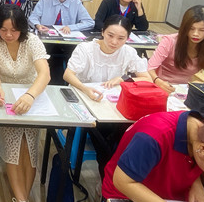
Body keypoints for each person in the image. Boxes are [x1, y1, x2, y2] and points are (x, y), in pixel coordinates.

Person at [0, 4, 51, 202]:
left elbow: (44, 74)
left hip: (31, 98)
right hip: (5, 99)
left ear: (22, 28)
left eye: (13, 30)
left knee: (28, 143)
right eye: (3, 30)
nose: (8, 34)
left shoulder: (32, 41)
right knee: (15, 140)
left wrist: (30, 95)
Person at [63, 15, 151, 174]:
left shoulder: (128, 52)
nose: (114, 42)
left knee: (131, 128)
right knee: (105, 134)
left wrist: (123, 78)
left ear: (128, 38)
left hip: (112, 104)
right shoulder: (86, 49)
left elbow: (146, 78)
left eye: (121, 38)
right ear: (102, 31)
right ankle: (109, 173)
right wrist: (85, 89)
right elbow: (68, 75)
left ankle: (116, 169)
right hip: (85, 98)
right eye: (110, 35)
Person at [148, 5, 204, 92]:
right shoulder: (169, 41)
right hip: (162, 87)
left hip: (185, 91)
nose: (195, 34)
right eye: (191, 29)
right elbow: (149, 69)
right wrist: (158, 81)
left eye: (202, 30)